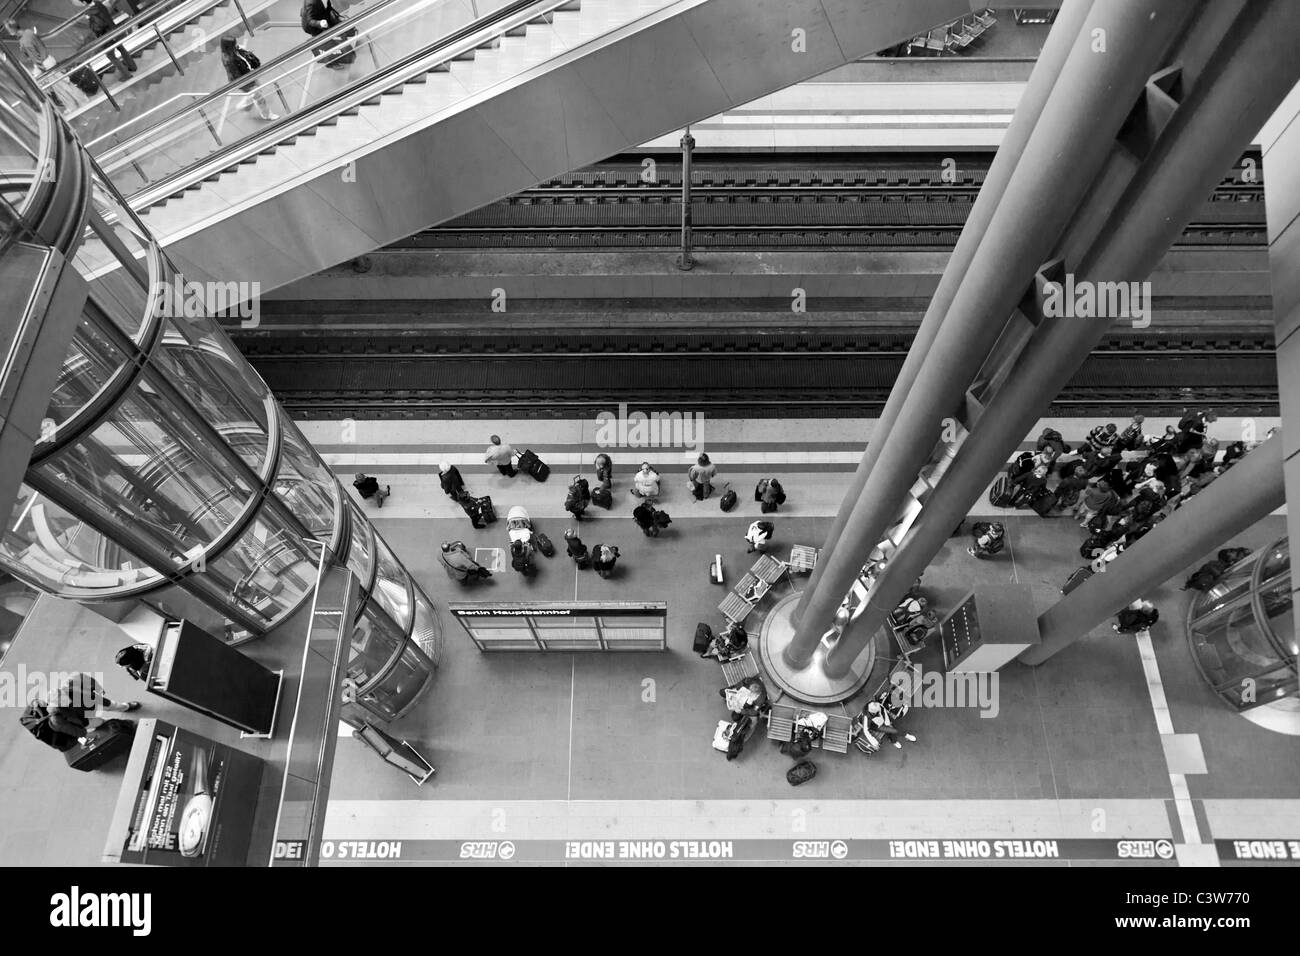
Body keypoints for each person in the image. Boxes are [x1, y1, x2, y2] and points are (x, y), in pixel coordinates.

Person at [219, 36, 279, 120]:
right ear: (229, 46)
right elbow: (237, 76)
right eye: (233, 44)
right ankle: (267, 115)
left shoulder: (234, 50)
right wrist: (249, 83)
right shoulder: (229, 60)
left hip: (249, 75)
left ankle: (245, 103)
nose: (236, 44)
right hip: (244, 81)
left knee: (256, 92)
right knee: (259, 97)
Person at [78, 0, 136, 81]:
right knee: (121, 48)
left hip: (105, 35)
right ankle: (132, 66)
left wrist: (89, 21)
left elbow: (97, 26)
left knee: (111, 56)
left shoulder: (89, 12)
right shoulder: (98, 3)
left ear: (84, 2)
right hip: (112, 28)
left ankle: (127, 74)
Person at [301, 0, 351, 66]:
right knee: (326, 44)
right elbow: (310, 21)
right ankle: (330, 63)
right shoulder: (311, 3)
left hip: (322, 17)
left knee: (331, 37)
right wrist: (320, 23)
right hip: (315, 27)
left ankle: (340, 51)